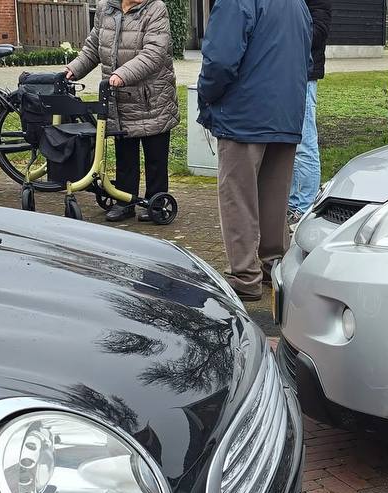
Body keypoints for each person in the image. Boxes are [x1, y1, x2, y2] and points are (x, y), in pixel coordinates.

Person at [198, 0, 312, 301]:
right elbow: (307, 55)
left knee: (238, 196)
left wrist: (207, 95)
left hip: (244, 113)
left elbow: (220, 59)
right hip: (286, 112)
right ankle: (275, 266)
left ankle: (244, 276)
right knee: (275, 197)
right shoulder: (297, 4)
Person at [66, 0, 179, 223]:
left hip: (151, 97)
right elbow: (93, 47)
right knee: (125, 153)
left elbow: (154, 53)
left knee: (155, 156)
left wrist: (122, 74)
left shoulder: (156, 8)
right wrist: (73, 69)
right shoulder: (105, 8)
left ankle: (156, 201)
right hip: (118, 96)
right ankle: (125, 201)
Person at [288, 0, 333, 227]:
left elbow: (319, 32)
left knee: (305, 143)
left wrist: (284, 33)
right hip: (287, 71)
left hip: (305, 74)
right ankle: (292, 203)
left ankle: (303, 207)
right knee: (290, 142)